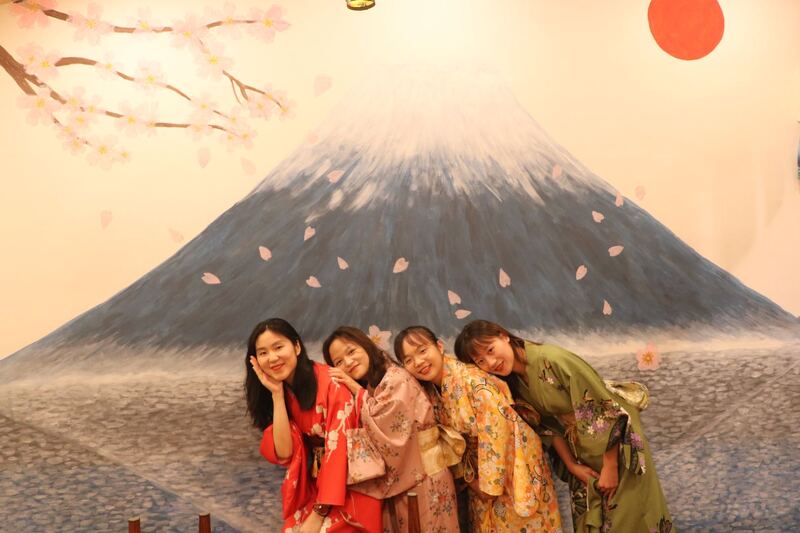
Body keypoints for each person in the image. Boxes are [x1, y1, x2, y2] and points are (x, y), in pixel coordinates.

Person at [454, 319, 673, 532]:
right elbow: (547, 427)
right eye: (480, 361)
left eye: (490, 350)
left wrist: (610, 466)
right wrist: (571, 465)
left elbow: (604, 409)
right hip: (580, 451)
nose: (491, 362)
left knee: (632, 517)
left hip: (617, 445)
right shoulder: (514, 383)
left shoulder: (553, 360)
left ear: (503, 336)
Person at [394, 325, 563, 532]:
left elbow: (496, 428)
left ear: (439, 346)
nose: (418, 362)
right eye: (408, 360)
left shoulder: (471, 379)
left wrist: (489, 486)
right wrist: (472, 480)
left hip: (513, 461)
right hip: (478, 474)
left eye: (422, 351)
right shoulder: (430, 393)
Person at [245, 318, 382, 533]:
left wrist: (318, 513)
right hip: (318, 487)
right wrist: (277, 396)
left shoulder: (332, 384)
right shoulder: (281, 390)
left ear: (297, 347)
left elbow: (339, 451)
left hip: (352, 488)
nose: (272, 358)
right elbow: (285, 452)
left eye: (278, 347)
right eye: (263, 353)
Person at [322, 326, 461, 533]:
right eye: (339, 362)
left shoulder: (395, 378)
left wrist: (357, 391)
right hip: (404, 479)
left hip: (425, 477)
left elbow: (391, 427)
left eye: (351, 351)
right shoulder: (375, 383)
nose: (348, 362)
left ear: (365, 345)